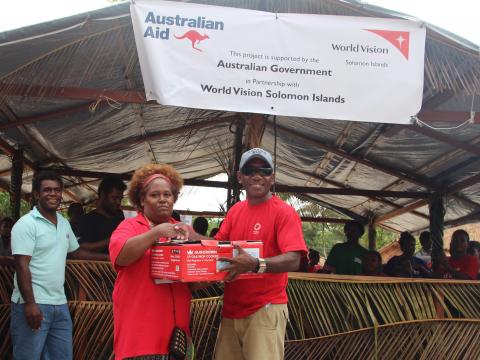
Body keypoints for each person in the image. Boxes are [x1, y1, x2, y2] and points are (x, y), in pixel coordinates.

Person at [213, 148, 307, 360]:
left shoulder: (284, 212)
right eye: (250, 170)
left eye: (264, 170)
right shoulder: (235, 211)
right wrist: (192, 237)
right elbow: (217, 247)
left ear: (272, 177)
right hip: (231, 309)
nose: (257, 175)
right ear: (240, 177)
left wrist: (256, 264)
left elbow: (294, 259)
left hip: (265, 308)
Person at [10, 170, 108, 360]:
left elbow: (75, 252)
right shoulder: (26, 224)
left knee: (61, 356)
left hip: (59, 303)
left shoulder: (63, 222)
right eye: (47, 190)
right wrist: (30, 304)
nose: (53, 194)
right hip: (33, 303)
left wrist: (110, 258)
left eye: (56, 190)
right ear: (37, 194)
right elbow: (21, 265)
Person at [109, 164, 197, 359]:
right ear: (141, 199)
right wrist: (156, 233)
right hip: (140, 339)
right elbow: (121, 256)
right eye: (155, 195)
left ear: (174, 198)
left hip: (177, 341)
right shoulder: (130, 226)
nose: (162, 200)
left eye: (167, 194)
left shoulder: (184, 230)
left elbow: (196, 280)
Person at [77, 175, 126, 254]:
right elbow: (80, 248)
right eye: (114, 198)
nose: (118, 202)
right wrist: (111, 240)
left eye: (120, 199)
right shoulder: (86, 220)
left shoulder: (119, 216)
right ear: (103, 195)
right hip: (93, 266)